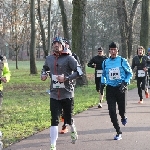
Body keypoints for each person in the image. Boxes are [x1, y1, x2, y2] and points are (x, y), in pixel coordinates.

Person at [41, 37, 83, 150]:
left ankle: (72, 128)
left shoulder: (69, 58)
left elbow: (79, 72)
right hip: (54, 94)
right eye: (54, 43)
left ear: (63, 45)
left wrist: (67, 78)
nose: (56, 45)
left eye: (58, 43)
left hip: (67, 94)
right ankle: (53, 145)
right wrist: (43, 75)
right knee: (54, 120)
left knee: (68, 119)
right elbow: (44, 69)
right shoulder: (49, 58)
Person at [101, 42, 132, 140]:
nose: (113, 51)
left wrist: (125, 83)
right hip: (110, 89)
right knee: (111, 111)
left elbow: (129, 73)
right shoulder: (105, 62)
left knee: (122, 110)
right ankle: (118, 131)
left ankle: (123, 116)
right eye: (111, 50)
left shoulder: (122, 61)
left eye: (115, 49)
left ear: (117, 50)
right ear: (109, 51)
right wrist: (102, 84)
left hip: (121, 88)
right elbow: (104, 74)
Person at [59, 39, 81, 134]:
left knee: (68, 107)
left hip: (69, 84)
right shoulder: (57, 56)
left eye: (67, 44)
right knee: (59, 106)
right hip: (58, 84)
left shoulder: (73, 56)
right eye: (64, 44)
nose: (65, 46)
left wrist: (69, 77)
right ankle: (65, 122)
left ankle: (66, 124)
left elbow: (78, 70)